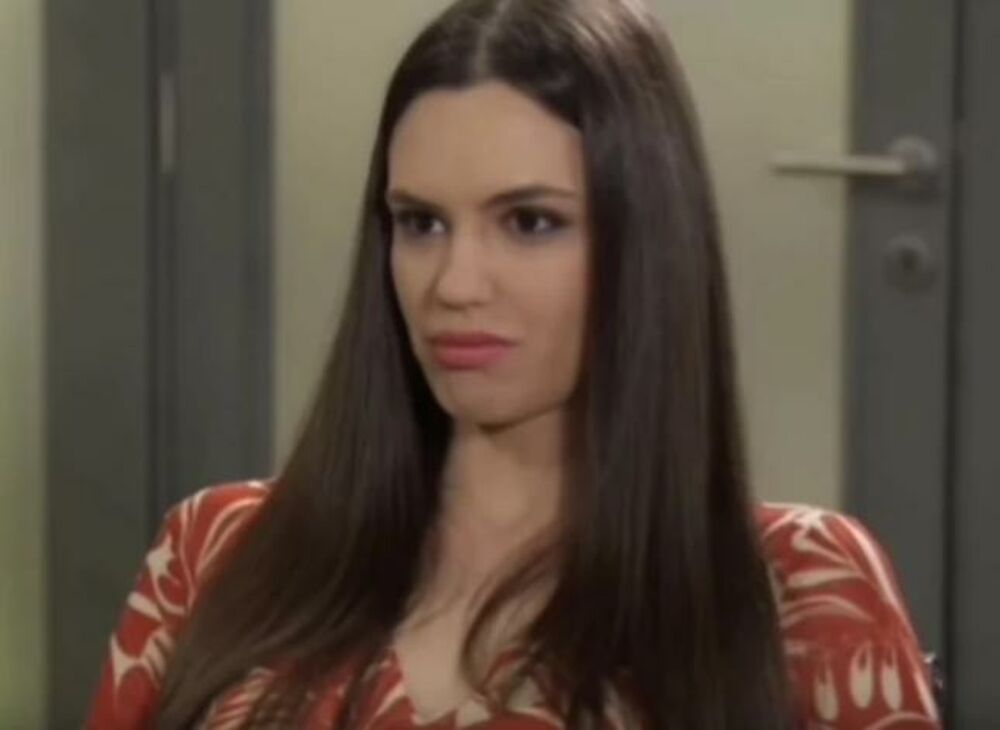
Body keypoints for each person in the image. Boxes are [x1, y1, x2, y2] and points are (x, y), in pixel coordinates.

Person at [87, 0, 942, 727]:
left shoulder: (799, 593)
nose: (455, 284)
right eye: (421, 223)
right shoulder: (218, 550)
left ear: (646, 244)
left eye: (530, 223)